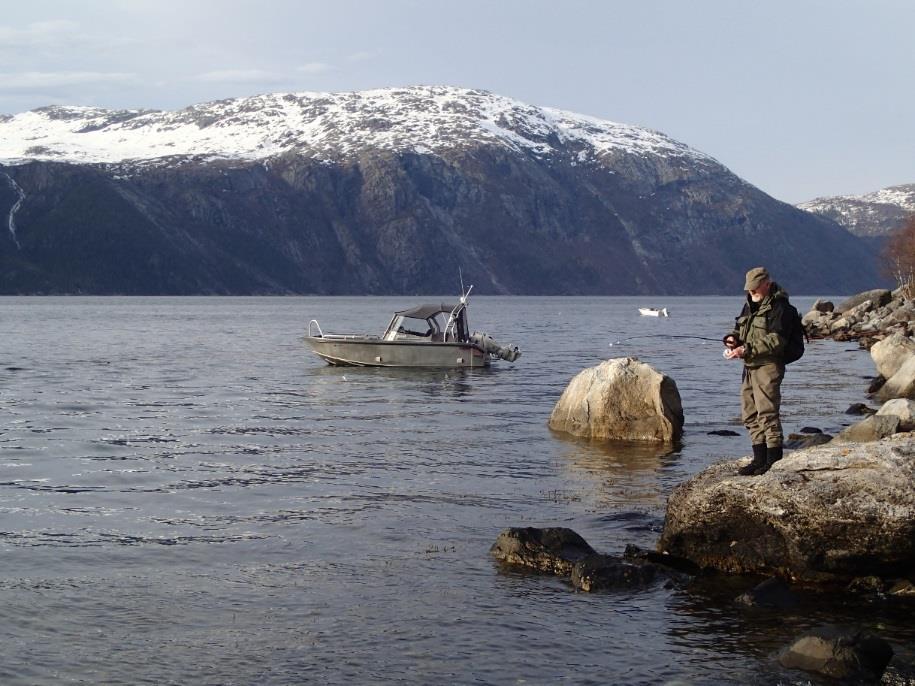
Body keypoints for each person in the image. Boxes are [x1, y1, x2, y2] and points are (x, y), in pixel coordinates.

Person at [723, 266, 793, 476]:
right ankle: (758, 459)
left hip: (768, 366)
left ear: (767, 284)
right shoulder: (749, 306)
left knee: (767, 413)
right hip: (750, 366)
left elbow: (777, 340)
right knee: (749, 413)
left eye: (755, 289)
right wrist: (733, 340)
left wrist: (747, 348)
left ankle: (772, 462)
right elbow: (740, 330)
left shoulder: (781, 308)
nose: (752, 292)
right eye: (749, 289)